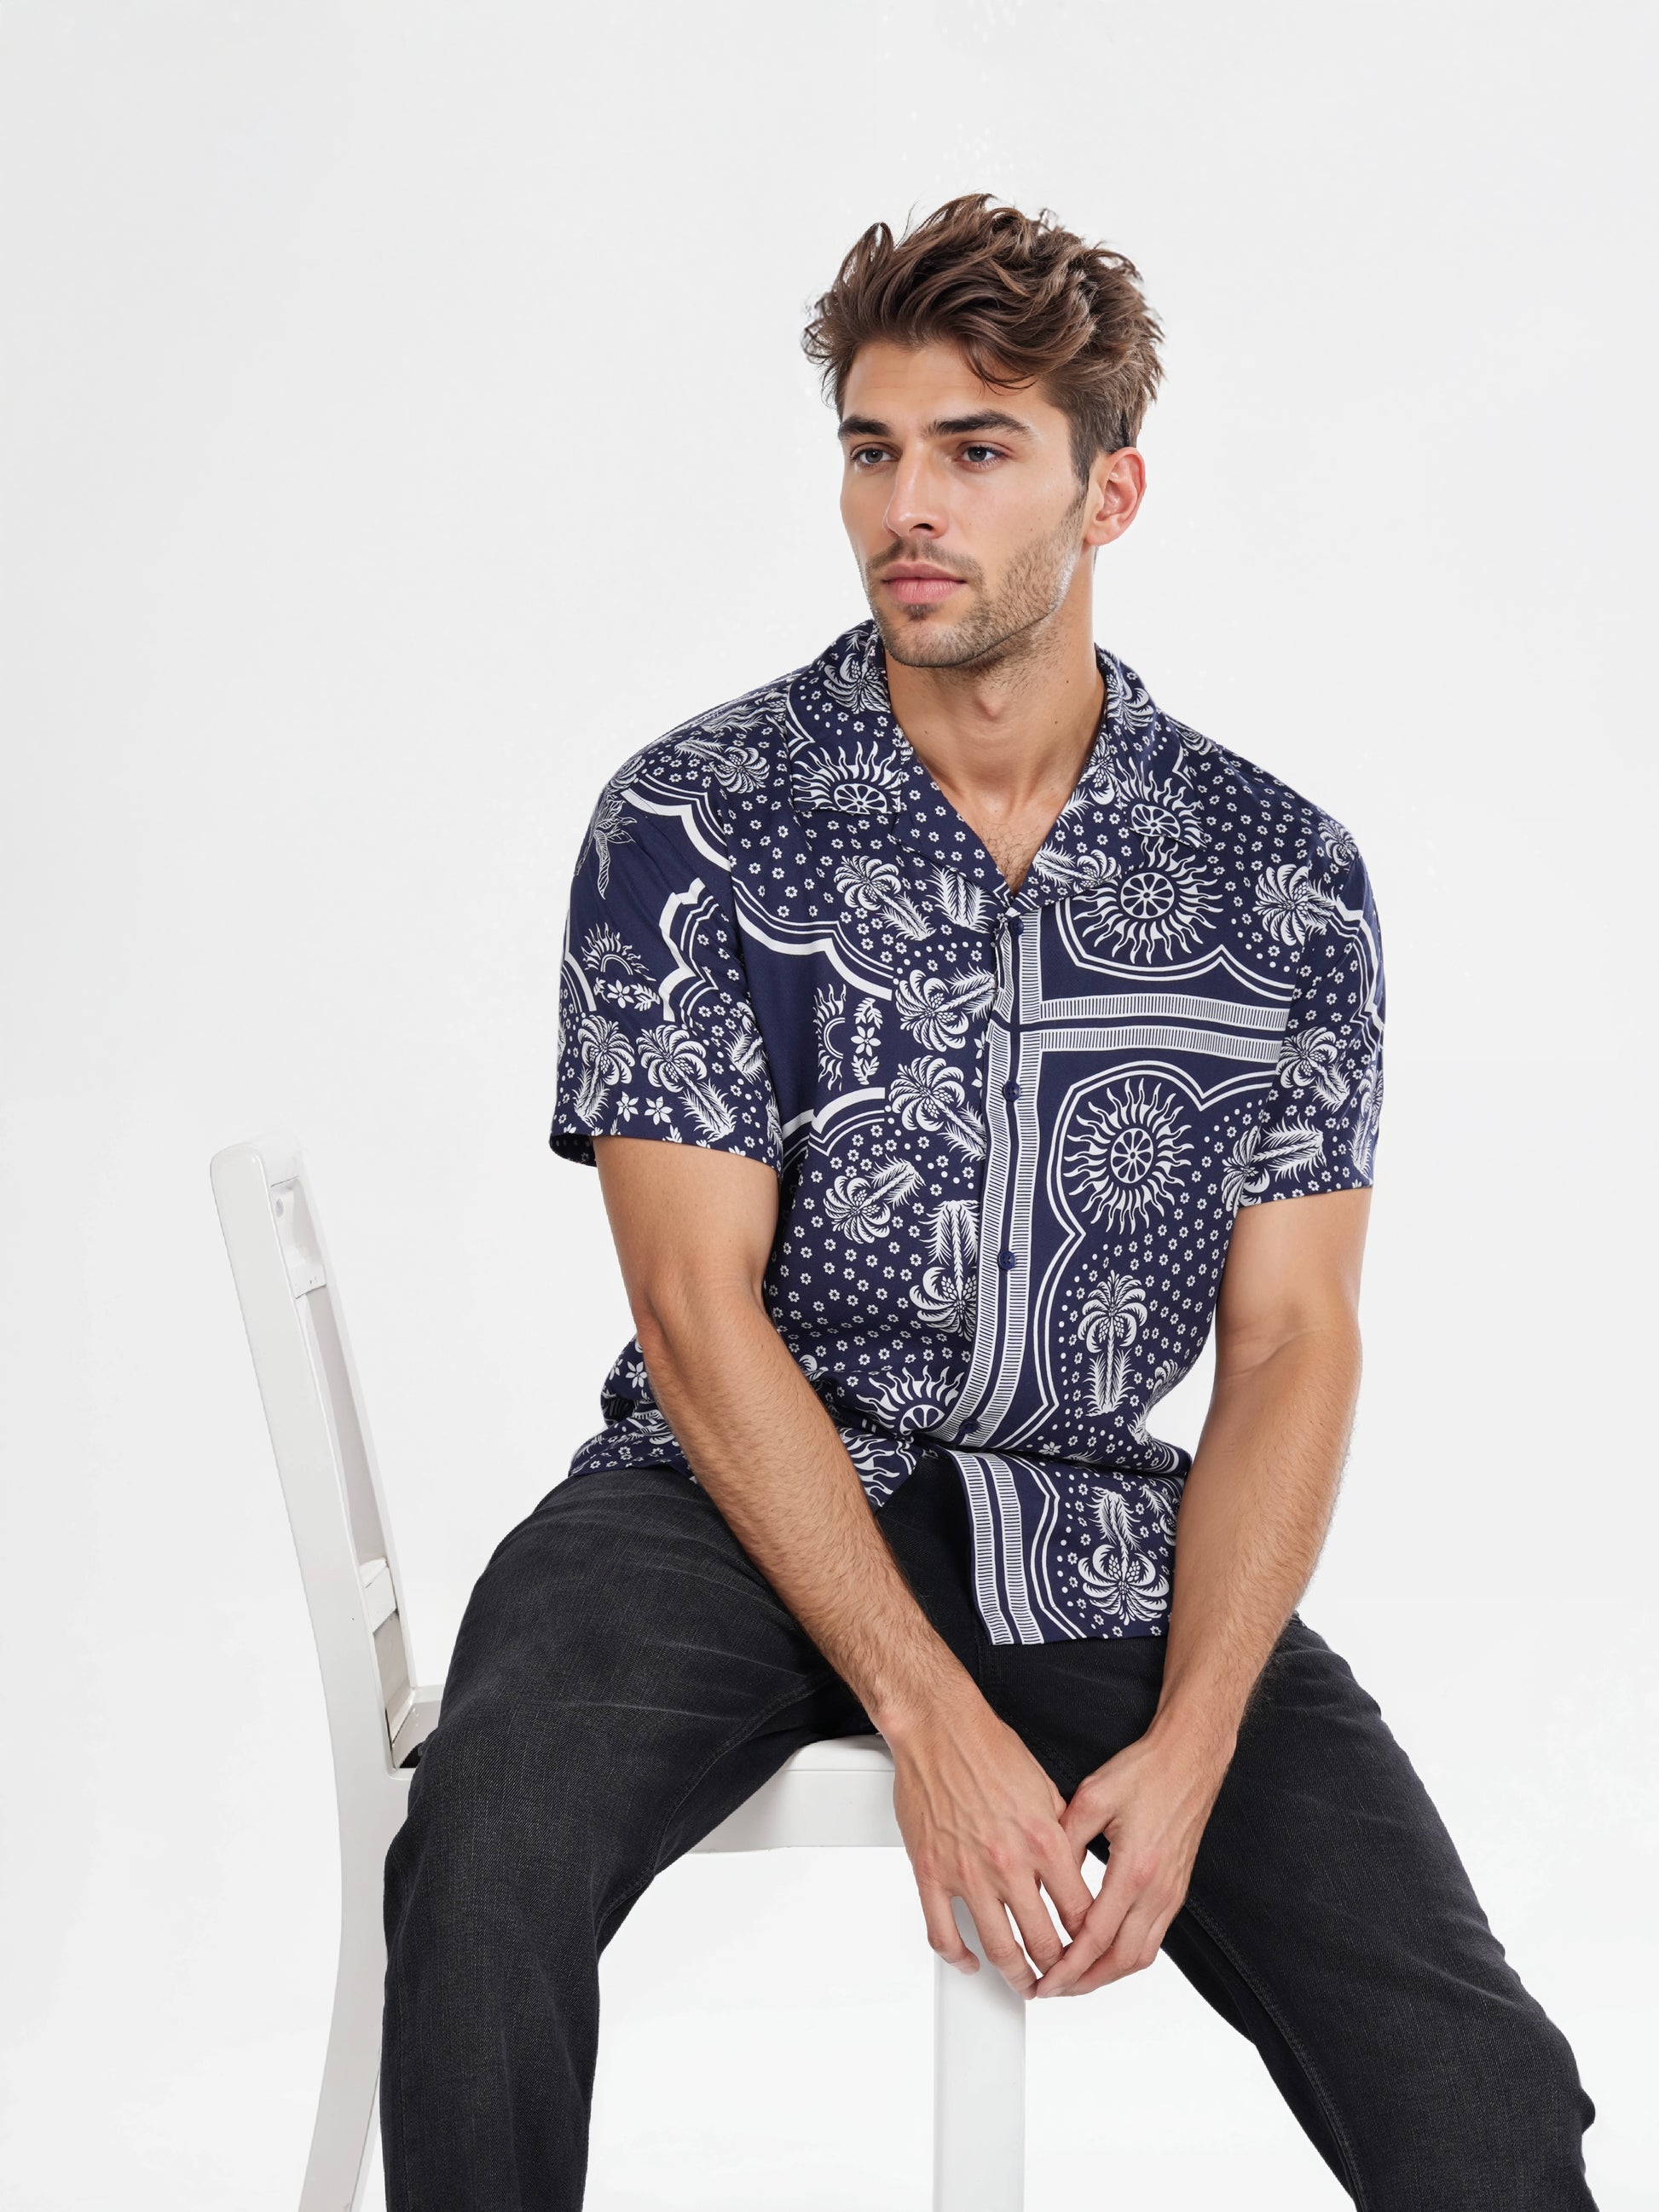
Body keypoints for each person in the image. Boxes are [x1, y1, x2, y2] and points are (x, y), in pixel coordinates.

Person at [381, 193, 1598, 2209]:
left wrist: (1199, 1735)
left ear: (1109, 490)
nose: (907, 508)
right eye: (871, 449)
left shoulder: (1278, 880)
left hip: (1091, 1531)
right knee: (489, 1841)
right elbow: (695, 1310)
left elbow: (1291, 1338)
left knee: (1479, 2087)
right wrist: (928, 1713)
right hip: (715, 1496)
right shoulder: (694, 822)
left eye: (974, 448)